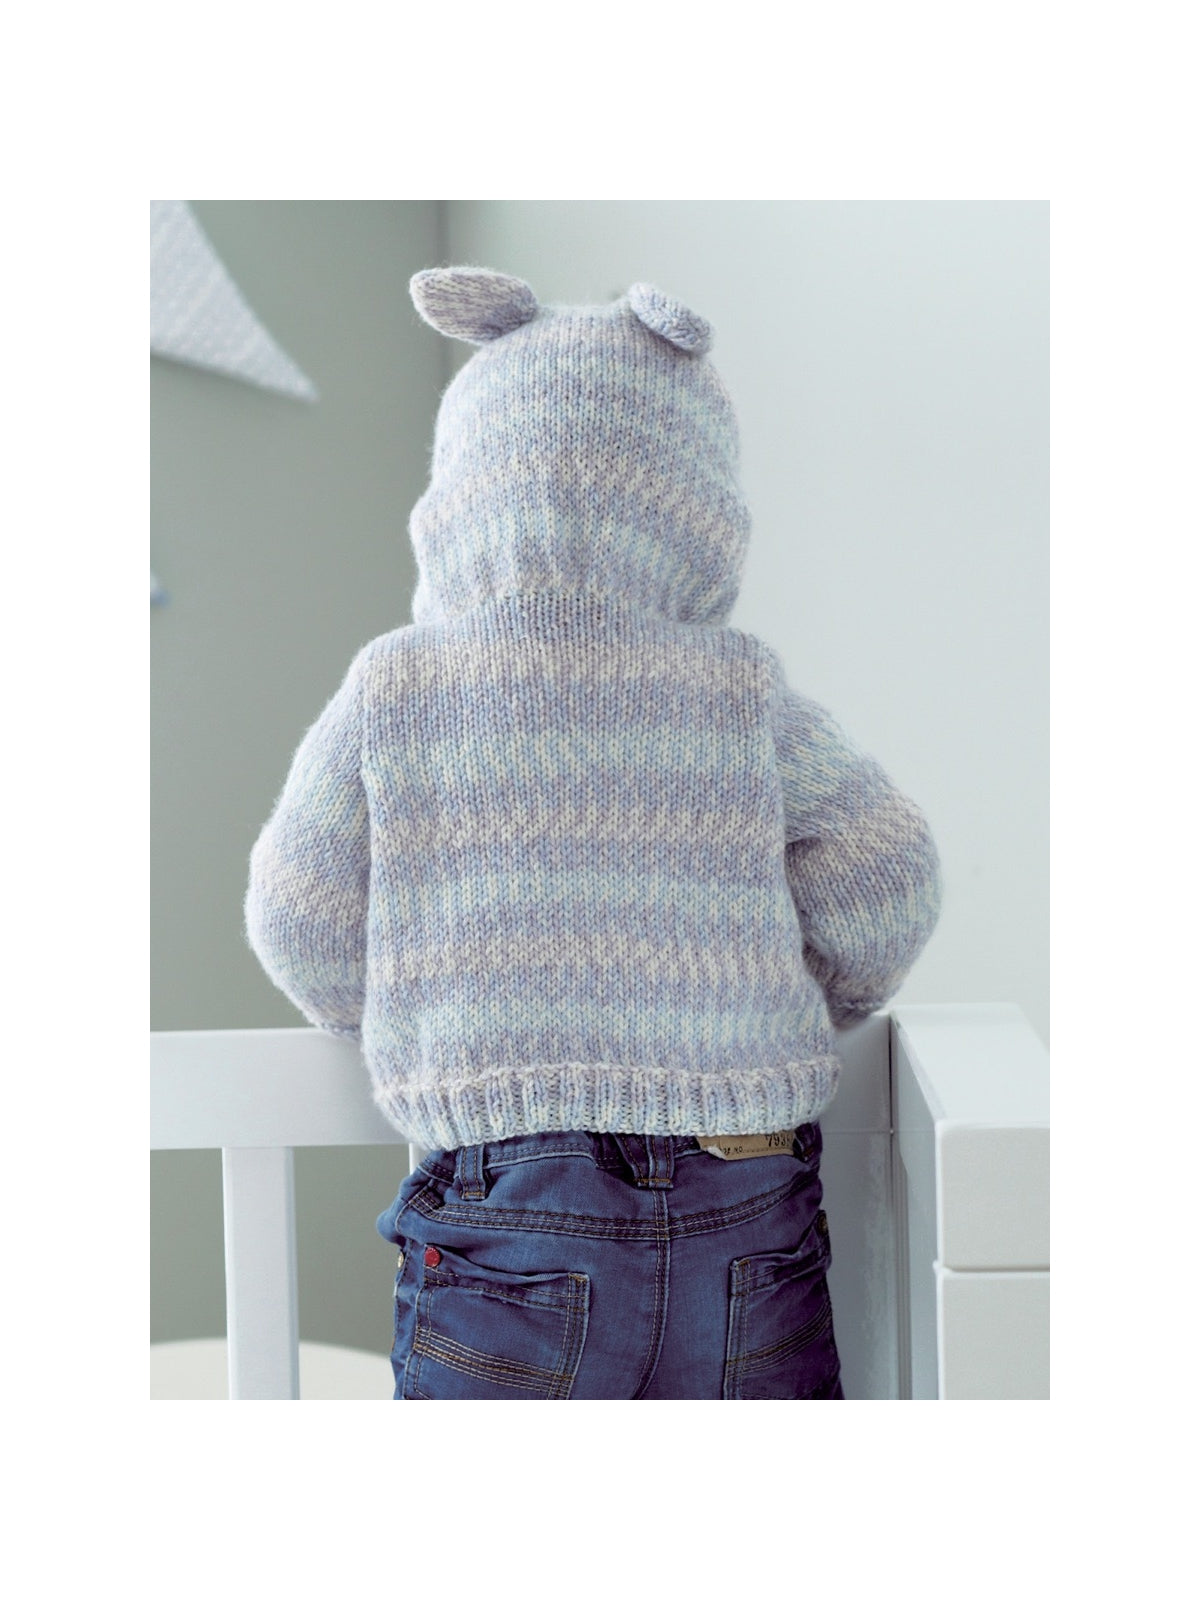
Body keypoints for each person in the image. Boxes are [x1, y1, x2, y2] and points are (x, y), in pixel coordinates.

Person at [244, 267, 942, 1399]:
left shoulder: (395, 689)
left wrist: (408, 1009)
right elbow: (887, 876)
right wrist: (817, 997)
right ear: (699, 510)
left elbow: (299, 919)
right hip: (745, 1188)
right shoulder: (739, 690)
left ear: (461, 495)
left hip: (506, 1197)